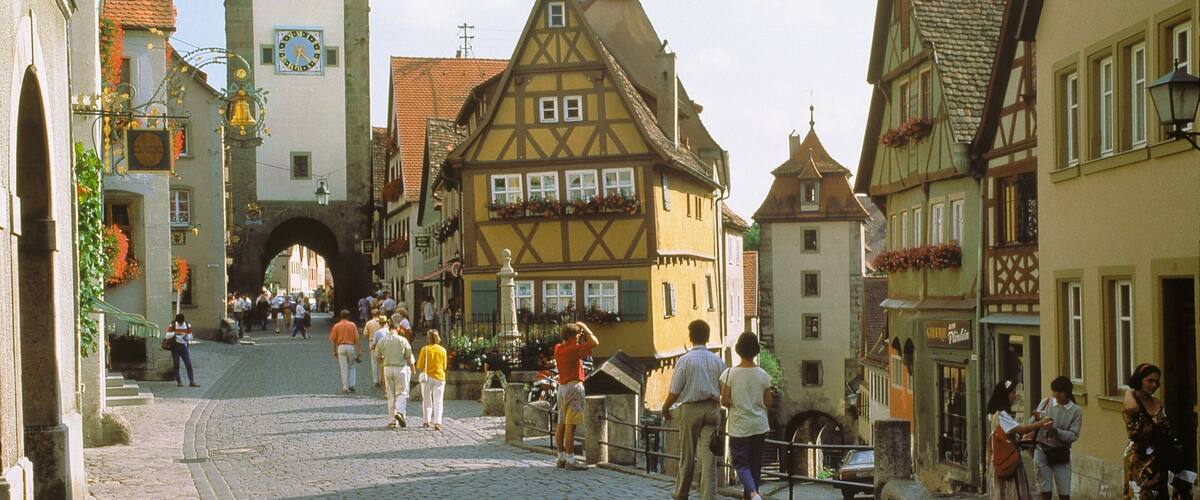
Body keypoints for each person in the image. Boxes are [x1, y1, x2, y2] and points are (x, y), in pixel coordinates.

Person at [662, 320, 725, 500]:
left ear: (690, 336)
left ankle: (681, 493)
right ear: (707, 337)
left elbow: (675, 390)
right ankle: (708, 495)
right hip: (712, 409)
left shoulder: (685, 360)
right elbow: (724, 388)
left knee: (687, 454)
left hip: (691, 409)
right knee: (708, 456)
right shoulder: (718, 361)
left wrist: (665, 407)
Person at [1123, 363, 1196, 499]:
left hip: (1159, 458)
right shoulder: (1132, 402)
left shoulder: (1155, 400)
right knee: (1141, 495)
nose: (1154, 385)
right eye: (1149, 381)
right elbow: (1131, 407)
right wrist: (1130, 390)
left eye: (1156, 381)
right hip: (1140, 459)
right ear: (1139, 380)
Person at [720, 333, 772, 500]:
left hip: (739, 425)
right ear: (756, 350)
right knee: (755, 465)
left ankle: (754, 495)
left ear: (739, 349)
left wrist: (738, 402)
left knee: (741, 464)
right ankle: (752, 495)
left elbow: (724, 401)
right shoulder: (763, 375)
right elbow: (768, 402)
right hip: (759, 425)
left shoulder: (730, 374)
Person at [987, 380, 1051, 500]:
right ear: (1005, 395)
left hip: (1001, 455)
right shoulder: (1002, 415)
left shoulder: (996, 413)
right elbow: (1021, 430)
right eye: (1012, 393)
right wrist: (1041, 423)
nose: (1015, 396)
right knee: (1012, 491)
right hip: (1007, 457)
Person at [553, 322, 598, 470]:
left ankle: (561, 457)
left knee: (561, 423)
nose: (579, 337)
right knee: (570, 426)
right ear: (572, 336)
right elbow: (595, 342)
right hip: (574, 387)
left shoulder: (558, 348)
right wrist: (584, 326)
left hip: (562, 388)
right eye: (578, 335)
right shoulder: (573, 350)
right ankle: (571, 460)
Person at [1032, 376, 1082, 500]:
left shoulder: (1075, 411)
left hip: (1060, 453)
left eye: (1060, 392)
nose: (1056, 395)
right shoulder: (1046, 403)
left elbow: (1073, 435)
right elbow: (1031, 424)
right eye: (1054, 391)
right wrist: (1036, 419)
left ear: (1067, 393)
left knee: (1064, 494)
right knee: (1045, 492)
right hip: (1042, 450)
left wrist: (1056, 431)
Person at [374, 318, 415, 428]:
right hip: (400, 368)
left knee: (390, 394)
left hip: (387, 368)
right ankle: (400, 412)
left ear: (389, 328)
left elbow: (376, 355)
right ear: (398, 328)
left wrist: (382, 361)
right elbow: (409, 355)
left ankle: (392, 420)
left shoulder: (382, 340)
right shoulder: (402, 340)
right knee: (402, 392)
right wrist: (412, 367)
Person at [416, 329, 448, 431]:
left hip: (427, 377)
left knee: (426, 400)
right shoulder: (443, 350)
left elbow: (420, 365)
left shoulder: (425, 349)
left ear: (428, 338)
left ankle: (426, 421)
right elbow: (444, 366)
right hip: (439, 377)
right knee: (438, 401)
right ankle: (438, 422)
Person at [328, 310, 362, 393]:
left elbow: (333, 340)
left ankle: (345, 387)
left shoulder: (336, 326)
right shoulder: (352, 325)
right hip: (350, 346)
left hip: (341, 347)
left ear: (340, 316)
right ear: (348, 316)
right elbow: (357, 338)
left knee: (343, 368)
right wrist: (359, 350)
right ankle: (352, 384)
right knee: (351, 366)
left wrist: (334, 351)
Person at [165, 314, 200, 388]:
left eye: (181, 323)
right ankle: (179, 381)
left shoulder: (187, 325)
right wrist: (175, 333)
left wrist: (186, 337)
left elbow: (191, 336)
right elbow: (167, 336)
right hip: (175, 346)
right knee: (176, 364)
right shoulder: (173, 325)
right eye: (179, 323)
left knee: (188, 364)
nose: (180, 324)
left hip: (184, 346)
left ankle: (191, 382)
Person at [368, 314, 390, 388]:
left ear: (379, 323)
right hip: (387, 350)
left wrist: (371, 348)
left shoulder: (378, 332)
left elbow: (374, 343)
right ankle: (384, 380)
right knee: (385, 365)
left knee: (375, 363)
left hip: (379, 349)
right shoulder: (388, 331)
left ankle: (376, 381)